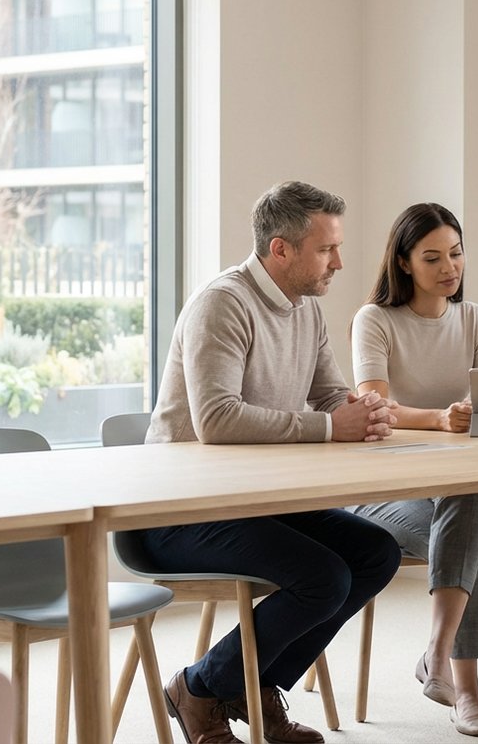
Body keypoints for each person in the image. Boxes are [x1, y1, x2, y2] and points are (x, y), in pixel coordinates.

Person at [142, 181, 403, 744]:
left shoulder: (306, 310)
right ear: (280, 249)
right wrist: (332, 426)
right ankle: (199, 687)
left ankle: (249, 684)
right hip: (180, 511)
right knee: (323, 577)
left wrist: (363, 412)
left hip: (257, 502)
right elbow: (217, 420)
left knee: (376, 553)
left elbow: (329, 396)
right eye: (326, 249)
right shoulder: (222, 304)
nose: (339, 262)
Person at [345, 202, 478, 737]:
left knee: (468, 498)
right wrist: (439, 418)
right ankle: (467, 692)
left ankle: (438, 656)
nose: (449, 267)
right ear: (404, 263)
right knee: (475, 540)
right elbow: (374, 406)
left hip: (454, 485)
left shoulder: (475, 319)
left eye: (456, 254)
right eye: (432, 258)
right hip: (380, 489)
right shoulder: (375, 320)